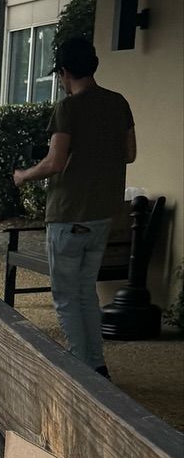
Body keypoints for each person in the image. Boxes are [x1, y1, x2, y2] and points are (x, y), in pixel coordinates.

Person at [12, 36, 135, 377]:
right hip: (101, 215)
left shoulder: (69, 108)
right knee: (86, 293)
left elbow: (54, 162)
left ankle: (81, 373)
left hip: (68, 215)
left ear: (64, 72)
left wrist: (23, 176)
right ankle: (96, 364)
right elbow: (130, 153)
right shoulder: (118, 103)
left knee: (66, 297)